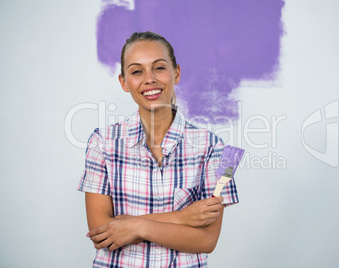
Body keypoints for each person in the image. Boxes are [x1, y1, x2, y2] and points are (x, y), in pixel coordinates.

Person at [78, 31, 239, 267]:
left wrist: (135, 226)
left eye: (159, 68)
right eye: (136, 71)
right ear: (124, 82)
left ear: (176, 73)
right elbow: (101, 234)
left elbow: (207, 240)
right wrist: (181, 218)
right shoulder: (101, 142)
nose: (149, 79)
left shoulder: (216, 147)